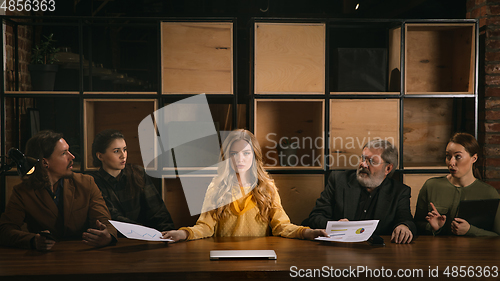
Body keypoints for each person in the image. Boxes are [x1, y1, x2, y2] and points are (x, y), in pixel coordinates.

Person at [161, 129, 327, 242]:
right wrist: (183, 233)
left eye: (246, 153)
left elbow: (281, 226)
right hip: (223, 254)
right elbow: (205, 227)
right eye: (234, 154)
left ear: (255, 156)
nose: (240, 159)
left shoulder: (267, 188)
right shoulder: (216, 187)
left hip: (260, 255)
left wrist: (308, 232)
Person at [0, 130, 117, 250]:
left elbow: (106, 222)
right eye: (63, 153)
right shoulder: (23, 192)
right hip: (42, 259)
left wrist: (108, 236)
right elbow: (5, 230)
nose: (72, 156)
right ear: (45, 162)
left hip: (83, 253)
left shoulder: (86, 183)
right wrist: (33, 240)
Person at [303, 139, 416, 244]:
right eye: (362, 158)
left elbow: (406, 219)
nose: (363, 164)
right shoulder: (338, 180)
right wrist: (336, 225)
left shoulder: (400, 191)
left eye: (371, 161)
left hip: (378, 254)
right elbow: (315, 217)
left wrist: (403, 226)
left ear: (388, 169)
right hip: (339, 249)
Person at [414, 132, 500, 236]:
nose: (451, 163)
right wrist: (434, 227)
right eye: (448, 156)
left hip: (475, 252)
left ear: (474, 158)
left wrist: (470, 230)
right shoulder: (431, 186)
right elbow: (416, 225)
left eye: (458, 156)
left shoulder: (489, 193)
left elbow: (497, 236)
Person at [90, 129, 175, 232]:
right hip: (118, 238)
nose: (123, 155)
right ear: (100, 156)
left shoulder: (137, 173)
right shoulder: (93, 182)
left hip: (148, 238)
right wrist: (144, 231)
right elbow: (112, 217)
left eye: (124, 149)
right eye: (116, 151)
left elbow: (157, 210)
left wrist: (169, 232)